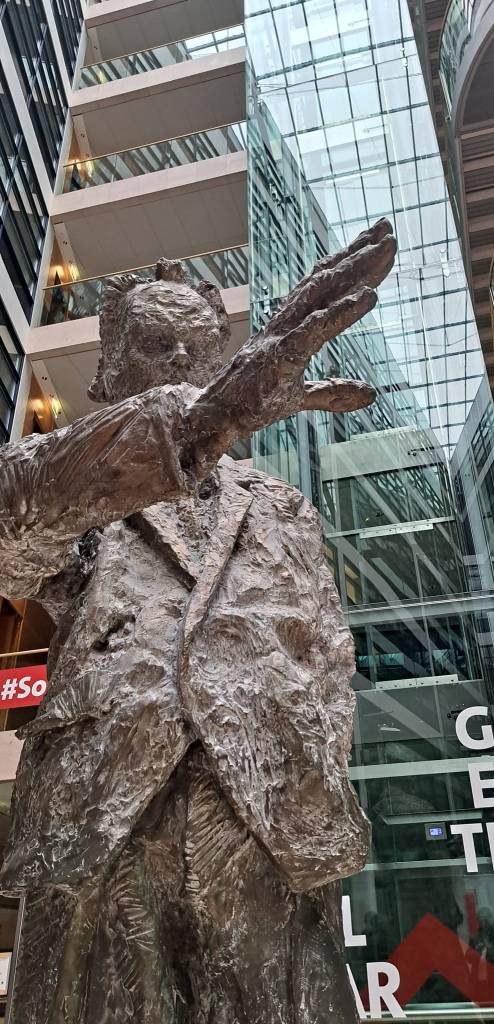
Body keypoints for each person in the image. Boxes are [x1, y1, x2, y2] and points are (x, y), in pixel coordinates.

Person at [0, 221, 397, 1024]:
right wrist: (192, 425)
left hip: (264, 816)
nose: (180, 361)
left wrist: (307, 771)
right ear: (107, 375)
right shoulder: (70, 482)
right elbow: (13, 532)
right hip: (102, 815)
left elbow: (326, 655)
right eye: (154, 344)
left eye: (198, 349)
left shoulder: (283, 506)